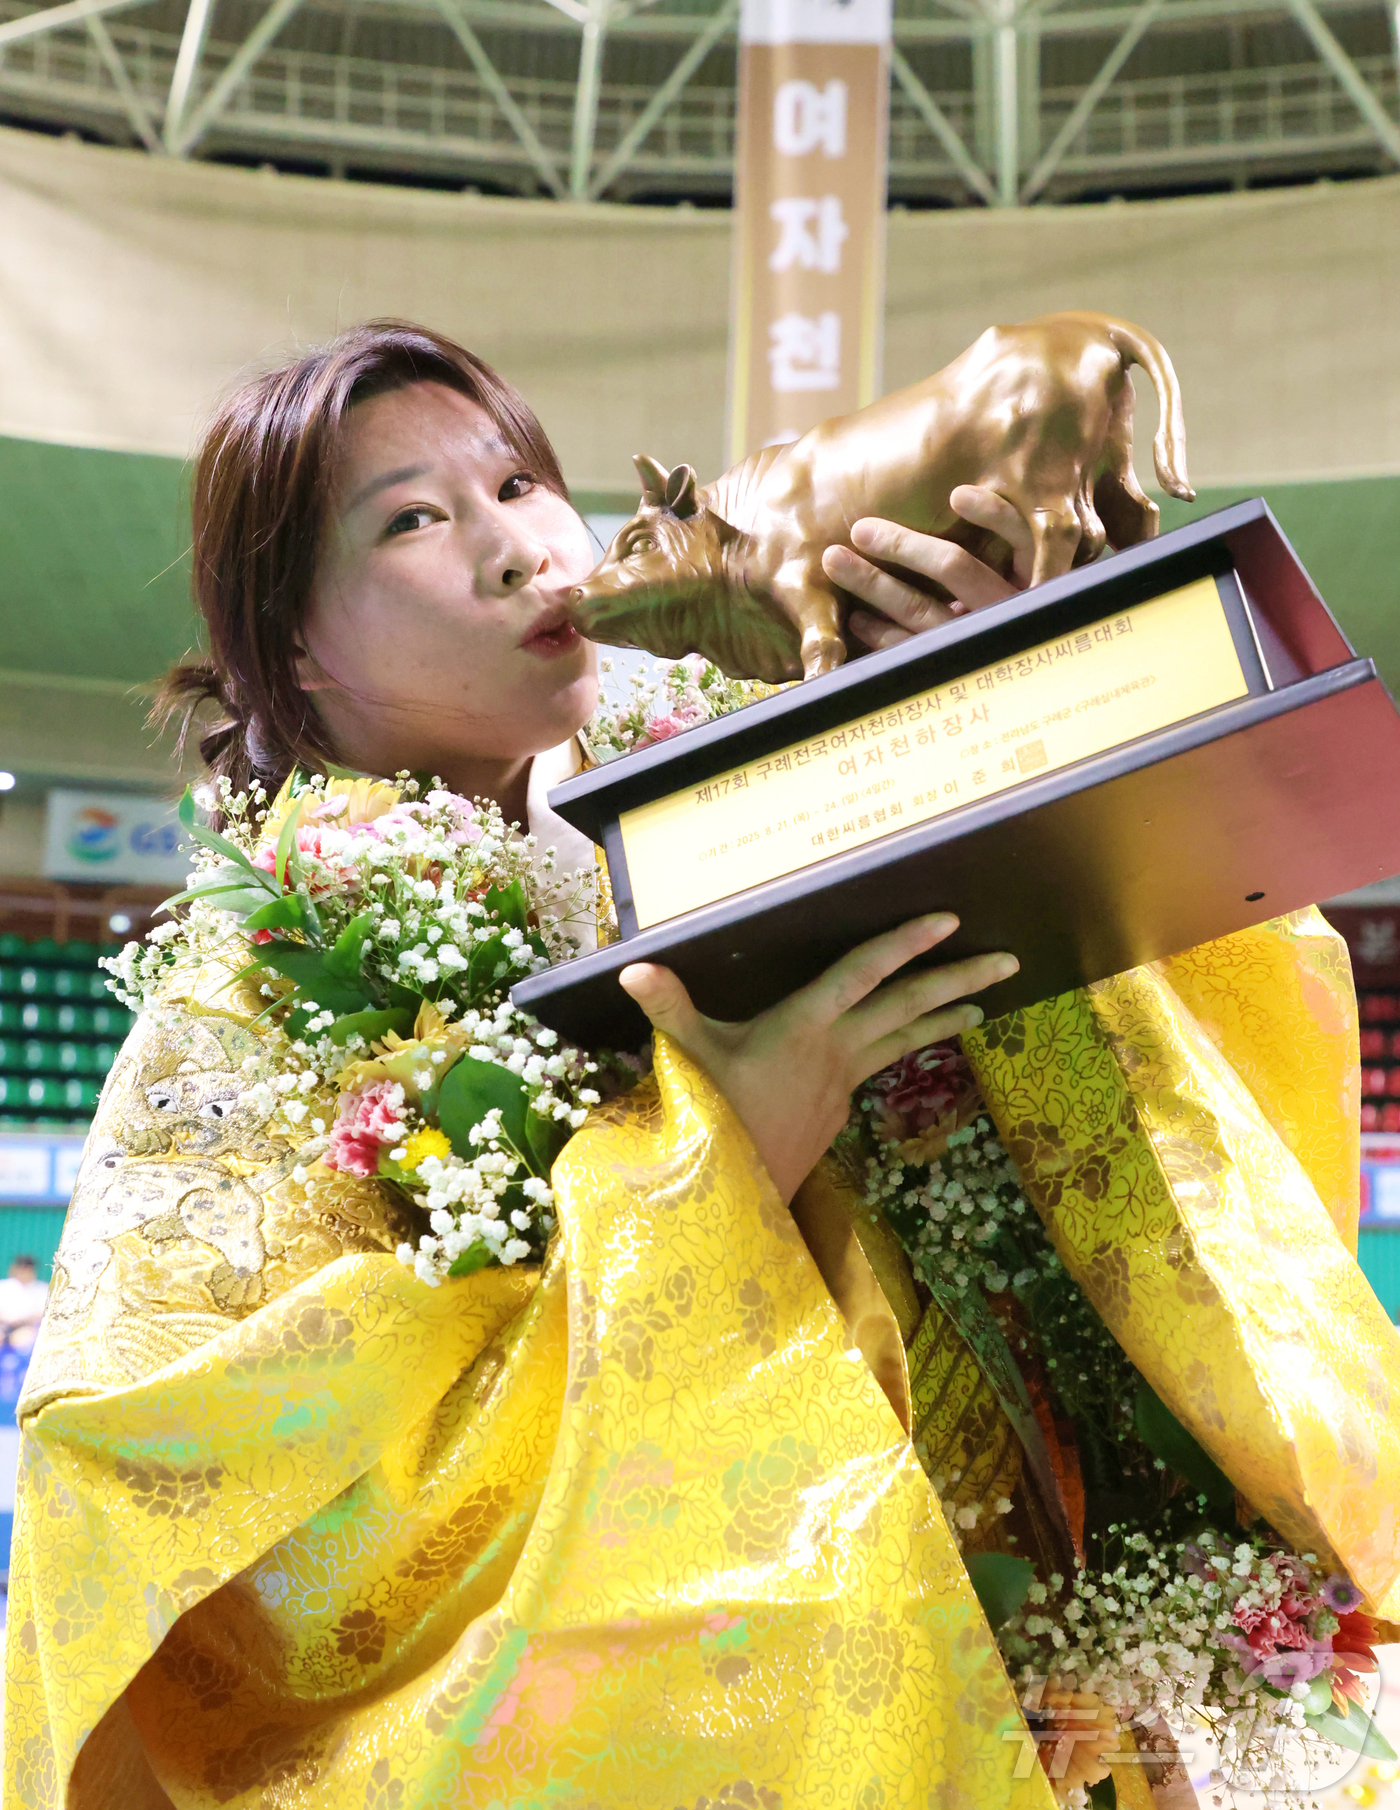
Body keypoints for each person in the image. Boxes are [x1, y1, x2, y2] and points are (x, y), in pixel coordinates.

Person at [4, 321, 1395, 1810]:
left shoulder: (733, 792)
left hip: (1019, 1612)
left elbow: (1125, 955)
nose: (520, 547)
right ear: (289, 642)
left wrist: (998, 703)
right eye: (414, 518)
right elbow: (207, 1487)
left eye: (523, 483)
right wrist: (714, 1164)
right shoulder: (249, 992)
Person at [0, 1255, 48, 1356]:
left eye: (27, 1269)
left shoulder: (42, 1289)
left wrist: (25, 1320)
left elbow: (43, 1313)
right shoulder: (4, 1286)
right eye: (21, 1268)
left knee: (26, 1340)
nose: (24, 1272)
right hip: (4, 1326)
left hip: (29, 1327)